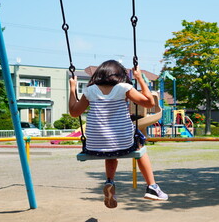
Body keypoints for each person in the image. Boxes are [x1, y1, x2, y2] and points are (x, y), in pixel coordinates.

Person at [69, 60, 168, 209]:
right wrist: (139, 78)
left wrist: (72, 89)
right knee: (139, 144)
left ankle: (110, 181)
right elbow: (149, 103)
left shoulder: (90, 90)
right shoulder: (124, 88)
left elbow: (74, 112)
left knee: (110, 150)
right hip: (123, 142)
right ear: (119, 75)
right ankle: (152, 186)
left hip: (95, 145)